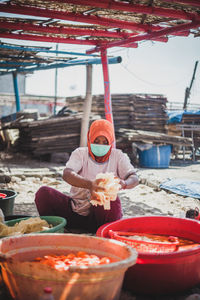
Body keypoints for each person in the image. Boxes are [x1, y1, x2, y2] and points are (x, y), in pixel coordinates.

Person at [35, 119, 139, 233]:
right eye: (96, 141)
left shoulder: (118, 156)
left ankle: (102, 230)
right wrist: (90, 185)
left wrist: (124, 184)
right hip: (75, 212)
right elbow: (67, 174)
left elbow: (134, 177)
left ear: (111, 141)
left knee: (105, 195)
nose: (100, 145)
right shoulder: (80, 153)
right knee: (43, 193)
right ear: (89, 139)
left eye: (105, 142)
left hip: (102, 217)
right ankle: (60, 227)